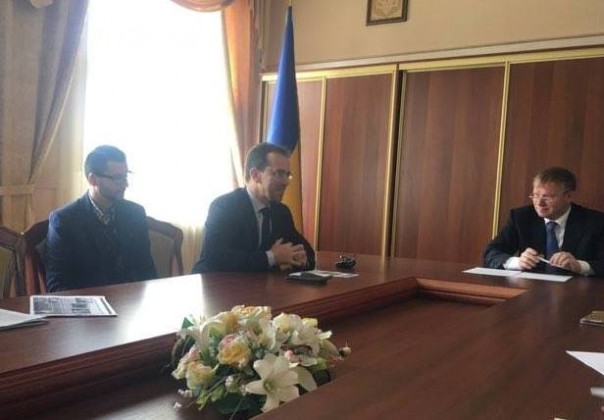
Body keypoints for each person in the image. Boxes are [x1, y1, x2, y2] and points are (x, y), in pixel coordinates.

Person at [45, 145, 157, 291]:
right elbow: (57, 286)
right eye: (118, 178)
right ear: (93, 180)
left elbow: (147, 271)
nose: (125, 184)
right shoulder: (64, 221)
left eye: (125, 176)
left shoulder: (135, 213)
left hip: (132, 299)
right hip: (88, 302)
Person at [192, 143, 315, 273]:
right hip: (213, 282)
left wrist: (301, 259)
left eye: (287, 174)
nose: (286, 182)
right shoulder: (224, 207)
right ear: (255, 175)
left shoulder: (281, 212)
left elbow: (308, 253)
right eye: (279, 173)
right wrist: (272, 257)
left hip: (257, 283)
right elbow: (216, 258)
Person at [483, 167, 604, 277]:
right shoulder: (521, 217)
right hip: (530, 288)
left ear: (568, 196)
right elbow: (491, 254)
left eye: (547, 197)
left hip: (577, 290)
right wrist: (517, 262)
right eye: (535, 195)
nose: (539, 203)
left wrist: (580, 266)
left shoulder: (595, 222)